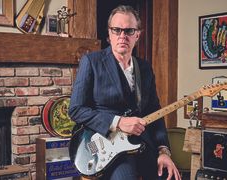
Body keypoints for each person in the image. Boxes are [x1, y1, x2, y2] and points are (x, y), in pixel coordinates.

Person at [68, 5, 181, 180]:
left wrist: (163, 151)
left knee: (170, 176)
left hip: (142, 143)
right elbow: (76, 109)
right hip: (107, 145)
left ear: (137, 34)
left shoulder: (144, 68)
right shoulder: (91, 62)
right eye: (117, 30)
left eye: (129, 30)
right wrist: (118, 122)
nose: (122, 36)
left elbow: (155, 112)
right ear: (109, 34)